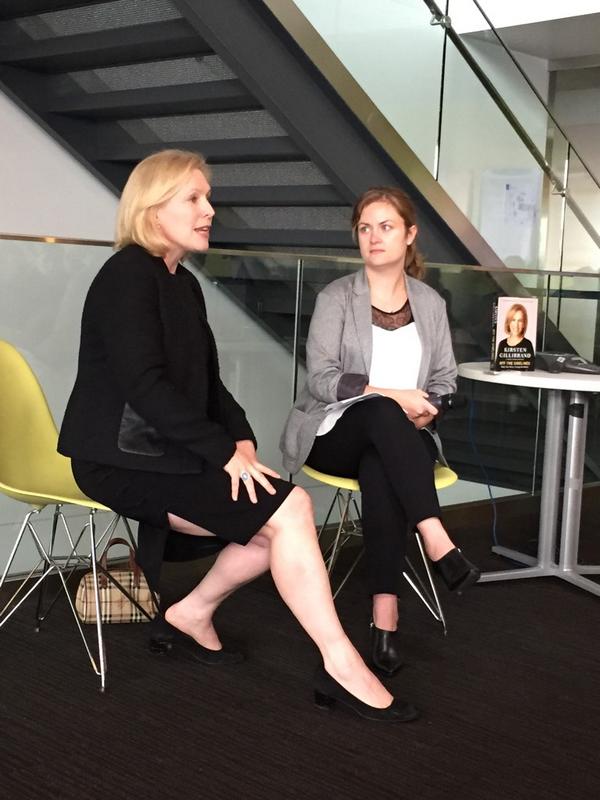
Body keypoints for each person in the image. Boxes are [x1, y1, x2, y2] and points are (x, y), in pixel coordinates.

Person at [57, 151, 417, 723]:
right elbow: (146, 387)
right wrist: (222, 453)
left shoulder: (181, 283)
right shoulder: (126, 276)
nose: (210, 210)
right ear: (153, 210)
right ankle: (342, 664)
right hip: (121, 459)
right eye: (194, 198)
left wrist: (242, 440)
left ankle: (191, 613)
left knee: (280, 515)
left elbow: (209, 383)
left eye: (208, 198)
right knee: (288, 510)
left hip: (171, 452)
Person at [280, 186, 480, 677]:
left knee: (381, 464)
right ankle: (436, 538)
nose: (373, 237)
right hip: (335, 433)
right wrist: (392, 397)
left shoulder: (430, 303)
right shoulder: (337, 297)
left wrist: (429, 409)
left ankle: (383, 619)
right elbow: (321, 379)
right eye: (365, 228)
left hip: (401, 440)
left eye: (386, 227)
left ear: (409, 235)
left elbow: (445, 380)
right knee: (380, 412)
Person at [495, 303, 535, 367]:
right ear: (508, 322)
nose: (516, 325)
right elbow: (498, 367)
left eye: (520, 321)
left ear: (524, 324)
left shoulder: (528, 344)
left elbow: (530, 368)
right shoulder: (502, 344)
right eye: (513, 320)